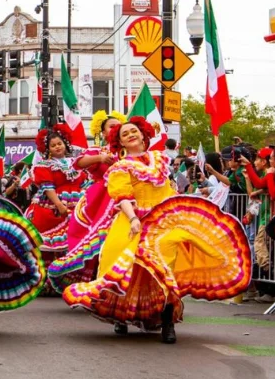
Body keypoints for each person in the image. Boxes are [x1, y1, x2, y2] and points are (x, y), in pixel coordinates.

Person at [63, 118, 252, 343]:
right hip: (132, 221)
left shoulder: (160, 159)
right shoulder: (120, 167)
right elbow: (122, 197)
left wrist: (181, 215)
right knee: (123, 266)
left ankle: (167, 321)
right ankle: (120, 316)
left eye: (134, 131)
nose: (131, 135)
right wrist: (133, 218)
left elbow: (169, 191)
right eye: (125, 134)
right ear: (120, 142)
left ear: (143, 134)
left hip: (163, 222)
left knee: (165, 268)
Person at [48, 110, 125, 287]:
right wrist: (100, 158)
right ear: (103, 132)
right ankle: (97, 279)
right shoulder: (99, 151)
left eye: (119, 126)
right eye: (112, 126)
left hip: (129, 198)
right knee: (99, 238)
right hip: (102, 200)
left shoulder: (129, 150)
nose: (116, 129)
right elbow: (79, 163)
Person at [25, 126, 88, 260]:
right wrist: (59, 205)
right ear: (48, 149)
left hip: (79, 203)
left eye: (60, 143)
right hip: (55, 203)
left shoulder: (76, 162)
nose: (57, 147)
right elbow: (47, 187)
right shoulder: (44, 165)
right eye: (53, 145)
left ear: (65, 144)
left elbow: (83, 182)